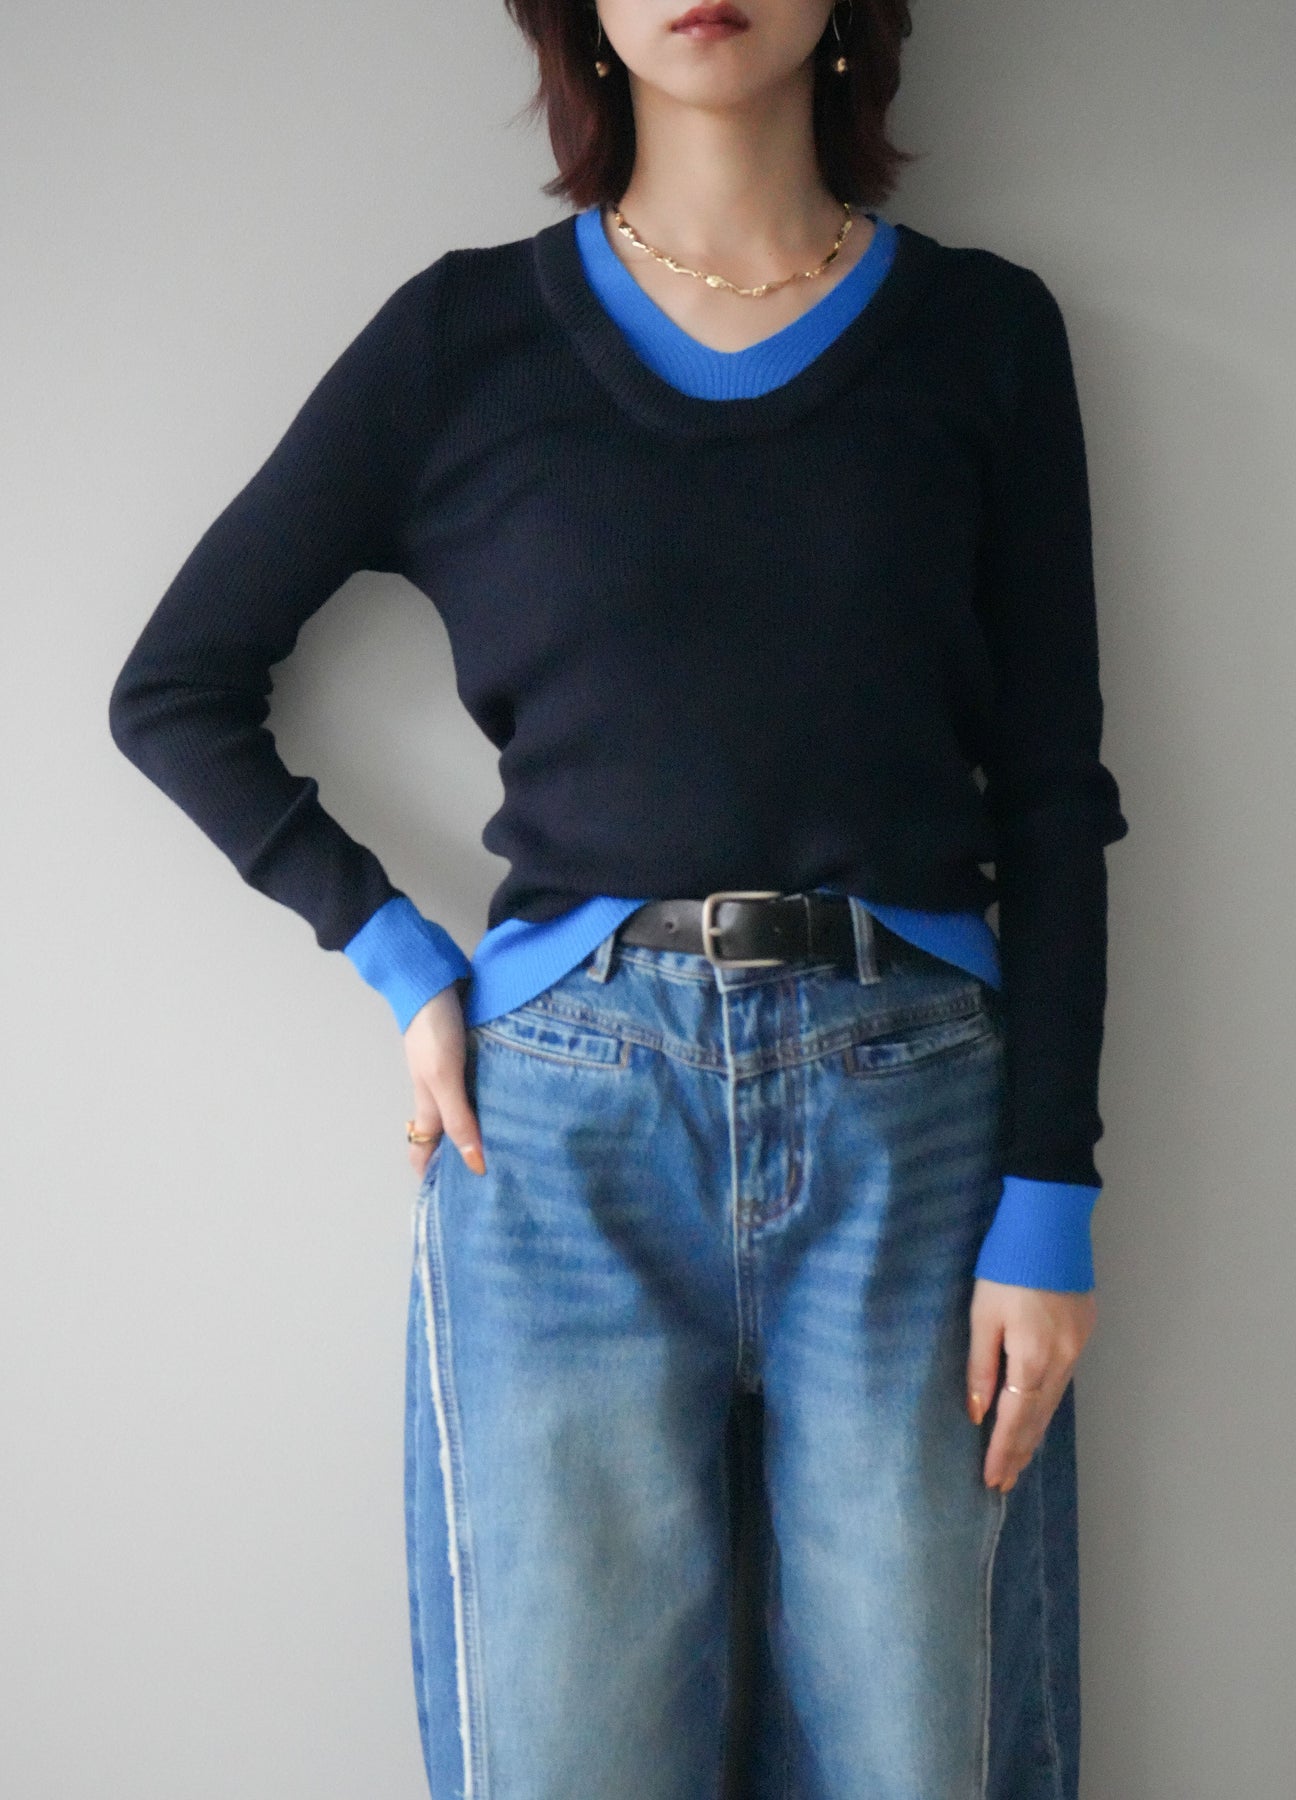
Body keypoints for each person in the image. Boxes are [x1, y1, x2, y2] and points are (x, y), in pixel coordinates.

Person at [108, 2, 1129, 1794]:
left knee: (923, 1749)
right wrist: (395, 952)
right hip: (559, 1129)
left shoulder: (983, 332)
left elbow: (1049, 791)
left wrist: (1052, 1190)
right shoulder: (461, 340)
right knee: (566, 1750)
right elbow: (175, 689)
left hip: (914, 1125)